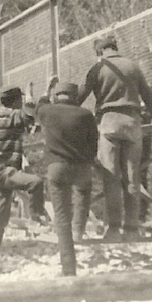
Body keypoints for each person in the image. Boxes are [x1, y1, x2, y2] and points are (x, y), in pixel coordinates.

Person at [77, 34, 152, 239]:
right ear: (115, 47)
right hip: (133, 125)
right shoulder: (132, 66)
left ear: (100, 51)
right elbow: (149, 96)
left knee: (111, 177)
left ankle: (114, 228)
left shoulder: (98, 68)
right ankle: (132, 228)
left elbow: (80, 97)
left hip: (109, 124)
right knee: (132, 178)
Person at [35, 78, 98, 275]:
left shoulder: (48, 111)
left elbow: (39, 105)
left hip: (57, 168)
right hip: (81, 167)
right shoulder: (86, 115)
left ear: (57, 96)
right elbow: (93, 143)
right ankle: (79, 230)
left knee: (61, 218)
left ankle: (69, 267)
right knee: (83, 194)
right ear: (75, 96)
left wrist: (46, 88)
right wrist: (87, 160)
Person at [0, 84, 48, 268]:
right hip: (3, 169)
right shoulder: (7, 114)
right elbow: (27, 116)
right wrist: (30, 96)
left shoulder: (7, 116)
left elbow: (31, 126)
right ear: (15, 101)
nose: (22, 102)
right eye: (20, 99)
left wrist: (45, 93)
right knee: (36, 182)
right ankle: (35, 218)